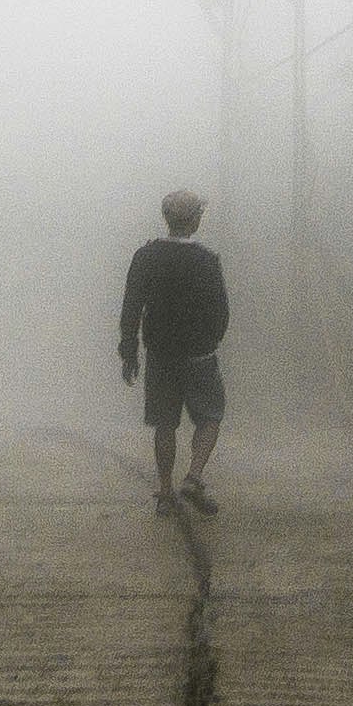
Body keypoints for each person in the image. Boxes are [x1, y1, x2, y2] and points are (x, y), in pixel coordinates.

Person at [117, 187, 228, 514]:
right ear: (194, 220)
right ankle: (193, 478)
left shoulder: (146, 257)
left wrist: (129, 349)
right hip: (199, 355)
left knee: (165, 423)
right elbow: (221, 312)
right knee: (210, 416)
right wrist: (210, 341)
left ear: (167, 219)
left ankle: (166, 493)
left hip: (160, 354)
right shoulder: (207, 260)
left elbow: (131, 307)